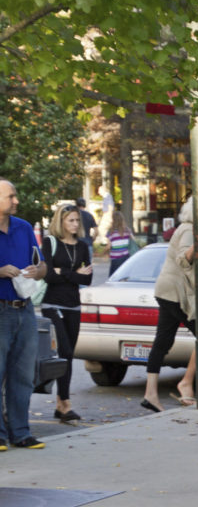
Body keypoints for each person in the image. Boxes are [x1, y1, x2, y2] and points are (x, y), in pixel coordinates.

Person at [0, 180, 48, 450]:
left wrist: (37, 271)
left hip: (25, 308)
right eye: (11, 196)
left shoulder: (24, 227)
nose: (16, 200)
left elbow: (41, 265)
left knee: (23, 374)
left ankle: (21, 433)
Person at [39, 203, 94, 424]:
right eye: (70, 220)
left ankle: (61, 404)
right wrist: (74, 273)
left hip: (74, 305)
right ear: (60, 222)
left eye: (77, 220)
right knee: (65, 349)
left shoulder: (81, 246)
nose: (75, 224)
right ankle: (66, 404)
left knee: (69, 356)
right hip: (53, 305)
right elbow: (48, 276)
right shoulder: (50, 243)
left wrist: (65, 272)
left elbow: (87, 279)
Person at [142, 197, 198, 412]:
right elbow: (184, 260)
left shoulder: (185, 228)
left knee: (163, 341)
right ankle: (190, 384)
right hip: (175, 292)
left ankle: (151, 394)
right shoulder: (189, 230)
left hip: (167, 290)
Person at [106, 210, 133, 276]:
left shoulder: (111, 232)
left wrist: (104, 251)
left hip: (115, 259)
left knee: (113, 277)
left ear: (113, 220)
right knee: (124, 277)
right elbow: (133, 240)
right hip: (126, 257)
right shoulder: (127, 230)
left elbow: (108, 246)